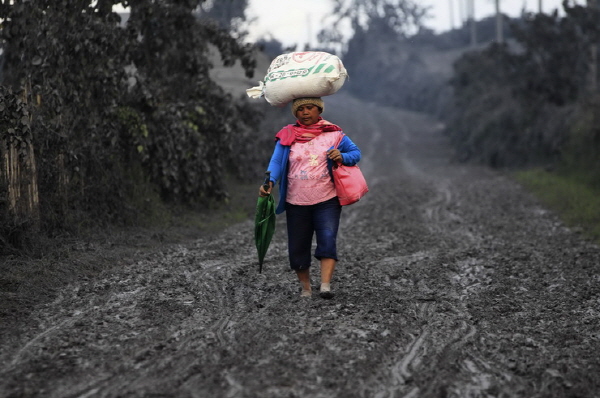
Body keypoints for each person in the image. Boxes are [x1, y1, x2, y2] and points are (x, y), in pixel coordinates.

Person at [259, 97, 362, 299]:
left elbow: (355, 153)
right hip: (296, 202)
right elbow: (277, 162)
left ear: (318, 110)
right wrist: (269, 182)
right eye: (301, 109)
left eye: (310, 108)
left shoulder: (334, 134)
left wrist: (342, 156)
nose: (305, 112)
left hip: (327, 200)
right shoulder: (287, 135)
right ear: (295, 113)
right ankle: (306, 288)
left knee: (327, 240)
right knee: (298, 246)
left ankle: (325, 286)